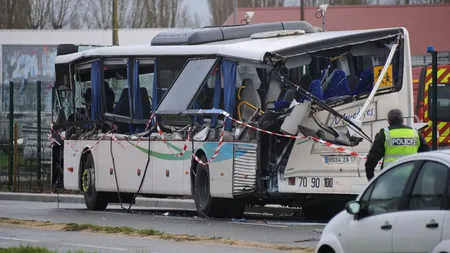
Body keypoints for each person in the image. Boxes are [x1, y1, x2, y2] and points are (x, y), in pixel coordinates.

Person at [365, 109, 429, 181]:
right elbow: (426, 153)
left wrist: (370, 178)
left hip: (390, 176)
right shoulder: (415, 133)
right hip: (412, 176)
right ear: (402, 120)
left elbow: (372, 159)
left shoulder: (385, 134)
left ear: (389, 121)